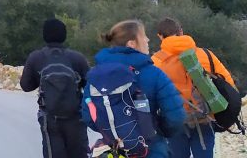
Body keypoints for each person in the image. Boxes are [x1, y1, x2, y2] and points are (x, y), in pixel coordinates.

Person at [82, 19, 185, 158]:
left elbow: (88, 116)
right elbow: (176, 116)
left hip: (115, 150)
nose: (148, 39)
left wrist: (112, 130)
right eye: (143, 36)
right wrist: (158, 130)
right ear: (131, 43)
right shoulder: (153, 73)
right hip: (151, 149)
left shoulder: (96, 76)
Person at [151, 17, 237, 158]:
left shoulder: (156, 61)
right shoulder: (206, 54)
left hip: (174, 122)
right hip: (205, 118)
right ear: (181, 31)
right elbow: (229, 85)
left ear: (160, 36)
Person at [20, 18, 90, 158]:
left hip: (49, 119)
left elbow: (26, 86)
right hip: (75, 117)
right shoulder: (77, 58)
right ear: (64, 34)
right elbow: (89, 84)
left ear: (44, 35)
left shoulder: (36, 57)